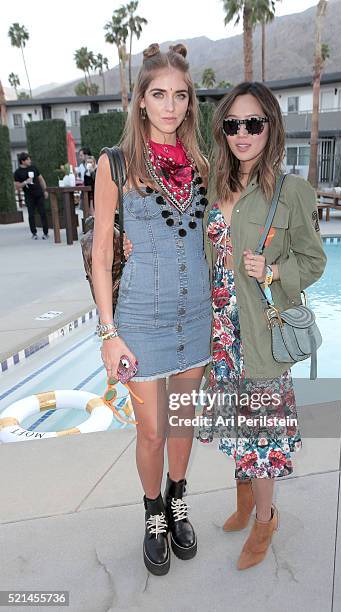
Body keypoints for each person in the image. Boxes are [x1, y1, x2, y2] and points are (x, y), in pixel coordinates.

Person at [91, 43, 211, 576]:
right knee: (153, 431)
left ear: (189, 104)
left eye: (179, 96)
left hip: (197, 316)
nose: (170, 106)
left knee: (183, 421)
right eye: (158, 95)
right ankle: (152, 514)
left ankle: (178, 497)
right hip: (140, 317)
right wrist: (108, 331)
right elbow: (99, 252)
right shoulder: (114, 165)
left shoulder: (204, 164)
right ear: (141, 101)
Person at [198, 81, 327, 570]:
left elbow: (314, 261)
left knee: (263, 436)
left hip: (258, 333)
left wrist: (273, 272)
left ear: (271, 126)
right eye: (233, 124)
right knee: (238, 423)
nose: (243, 133)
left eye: (254, 123)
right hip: (221, 333)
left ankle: (266, 517)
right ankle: (245, 499)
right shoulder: (215, 185)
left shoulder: (290, 191)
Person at [14, 152, 49, 240]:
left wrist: (45, 190)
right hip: (29, 195)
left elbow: (41, 179)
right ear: (23, 161)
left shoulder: (33, 168)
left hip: (39, 193)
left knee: (43, 213)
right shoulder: (17, 173)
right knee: (31, 214)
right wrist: (26, 182)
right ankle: (34, 233)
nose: (30, 161)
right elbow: (17, 186)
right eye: (28, 159)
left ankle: (46, 232)